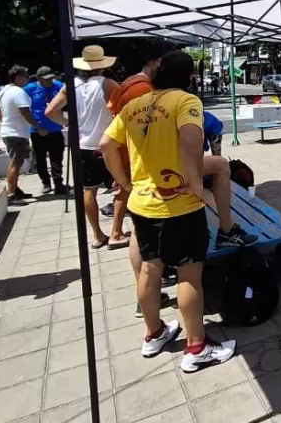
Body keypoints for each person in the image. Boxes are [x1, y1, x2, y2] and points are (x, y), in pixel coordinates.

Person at [100, 50, 257, 373]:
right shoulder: (185, 102)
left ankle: (154, 333)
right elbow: (190, 138)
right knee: (189, 275)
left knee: (150, 270)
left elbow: (105, 144)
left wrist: (124, 183)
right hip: (179, 204)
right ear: (188, 77)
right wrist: (195, 182)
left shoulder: (133, 105)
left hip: (142, 204)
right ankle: (196, 346)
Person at [46, 45, 128, 249]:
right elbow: (125, 110)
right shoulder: (108, 84)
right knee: (123, 187)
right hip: (107, 144)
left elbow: (50, 112)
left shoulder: (70, 85)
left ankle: (97, 234)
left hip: (81, 145)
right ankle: (116, 232)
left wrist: (66, 122)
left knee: (88, 190)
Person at [0, 65, 46, 207]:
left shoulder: (3, 91)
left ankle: (15, 190)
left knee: (16, 162)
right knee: (16, 162)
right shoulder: (18, 92)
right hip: (16, 133)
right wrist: (38, 127)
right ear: (17, 77)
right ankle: (11, 194)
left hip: (9, 131)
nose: (27, 79)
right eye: (25, 76)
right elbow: (25, 112)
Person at [24, 66, 67, 195]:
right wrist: (36, 126)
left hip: (55, 129)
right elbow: (23, 108)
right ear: (38, 78)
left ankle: (58, 183)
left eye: (51, 79)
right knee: (40, 159)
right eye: (46, 80)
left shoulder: (58, 86)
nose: (50, 82)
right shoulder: (30, 89)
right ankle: (46, 182)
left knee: (57, 158)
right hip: (38, 131)